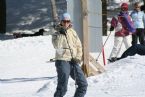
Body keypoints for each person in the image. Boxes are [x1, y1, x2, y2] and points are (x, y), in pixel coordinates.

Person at [52, 12, 88, 97]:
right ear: (61, 22)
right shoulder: (56, 33)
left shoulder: (73, 32)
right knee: (63, 87)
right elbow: (57, 46)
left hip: (73, 61)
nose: (66, 23)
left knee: (83, 84)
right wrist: (61, 33)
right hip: (62, 60)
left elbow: (79, 46)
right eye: (64, 21)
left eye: (68, 21)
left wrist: (78, 58)